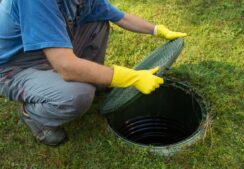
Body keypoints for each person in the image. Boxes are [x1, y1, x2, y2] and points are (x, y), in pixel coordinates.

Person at [0, 0, 187, 146]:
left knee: (98, 21)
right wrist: (130, 77)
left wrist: (156, 30)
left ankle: (94, 82)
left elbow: (120, 17)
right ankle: (32, 115)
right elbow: (66, 66)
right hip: (16, 66)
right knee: (77, 95)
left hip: (49, 49)